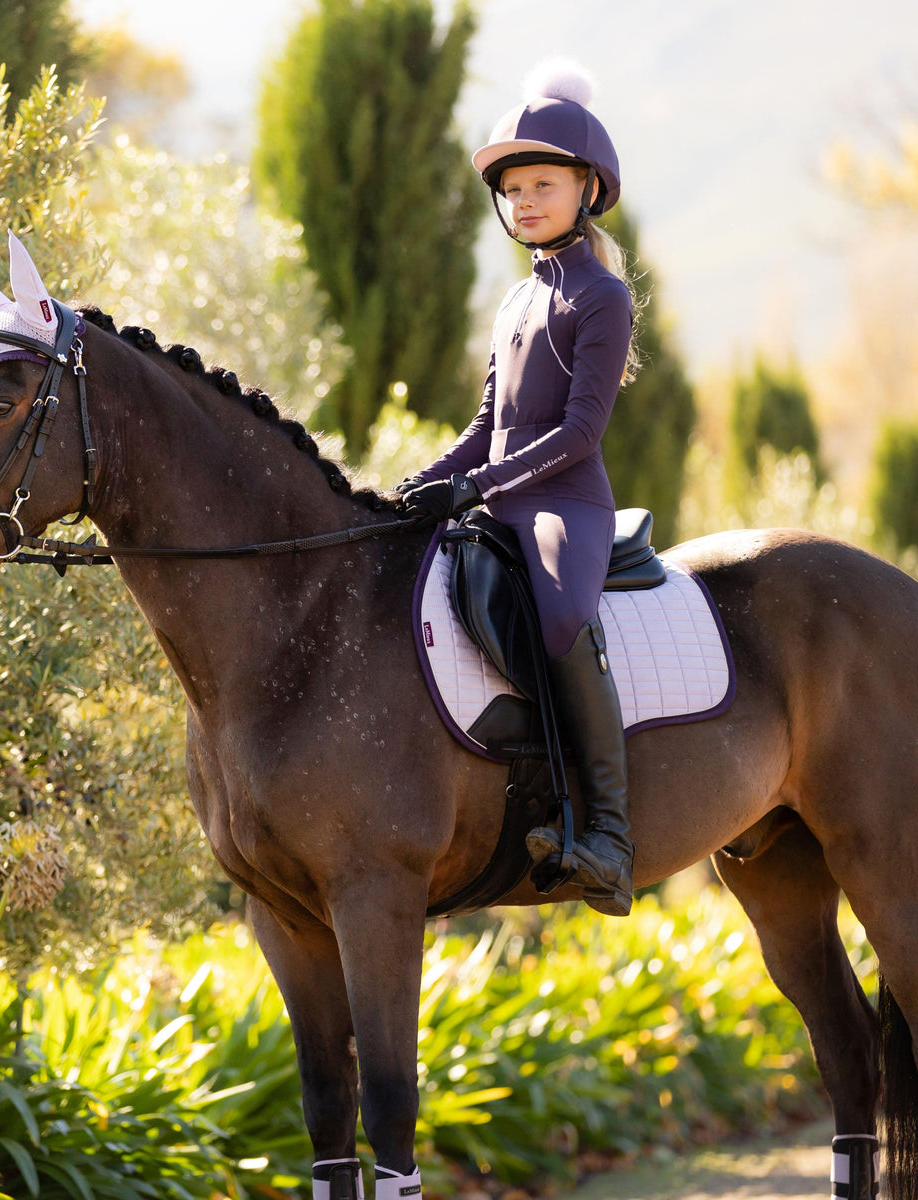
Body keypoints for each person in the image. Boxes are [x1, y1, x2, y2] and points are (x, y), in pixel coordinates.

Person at [399, 59, 640, 917]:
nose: (525, 201)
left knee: (562, 617)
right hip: (500, 492)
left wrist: (480, 488)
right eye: (513, 189)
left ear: (587, 189)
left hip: (563, 503)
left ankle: (609, 832)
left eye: (543, 184)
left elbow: (578, 434)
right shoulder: (513, 303)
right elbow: (482, 429)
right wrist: (416, 486)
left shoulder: (602, 296)